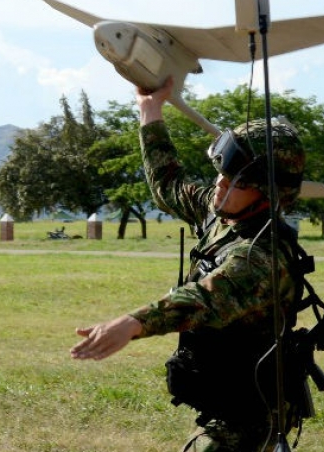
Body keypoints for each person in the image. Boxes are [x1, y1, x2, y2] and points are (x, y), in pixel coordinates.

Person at [70, 77, 310, 451]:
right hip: (227, 397)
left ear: (266, 192)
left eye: (234, 180)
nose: (219, 183)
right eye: (221, 172)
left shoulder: (260, 256)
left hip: (250, 413)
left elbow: (204, 297)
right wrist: (150, 110)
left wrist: (133, 323)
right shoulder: (222, 216)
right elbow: (168, 183)